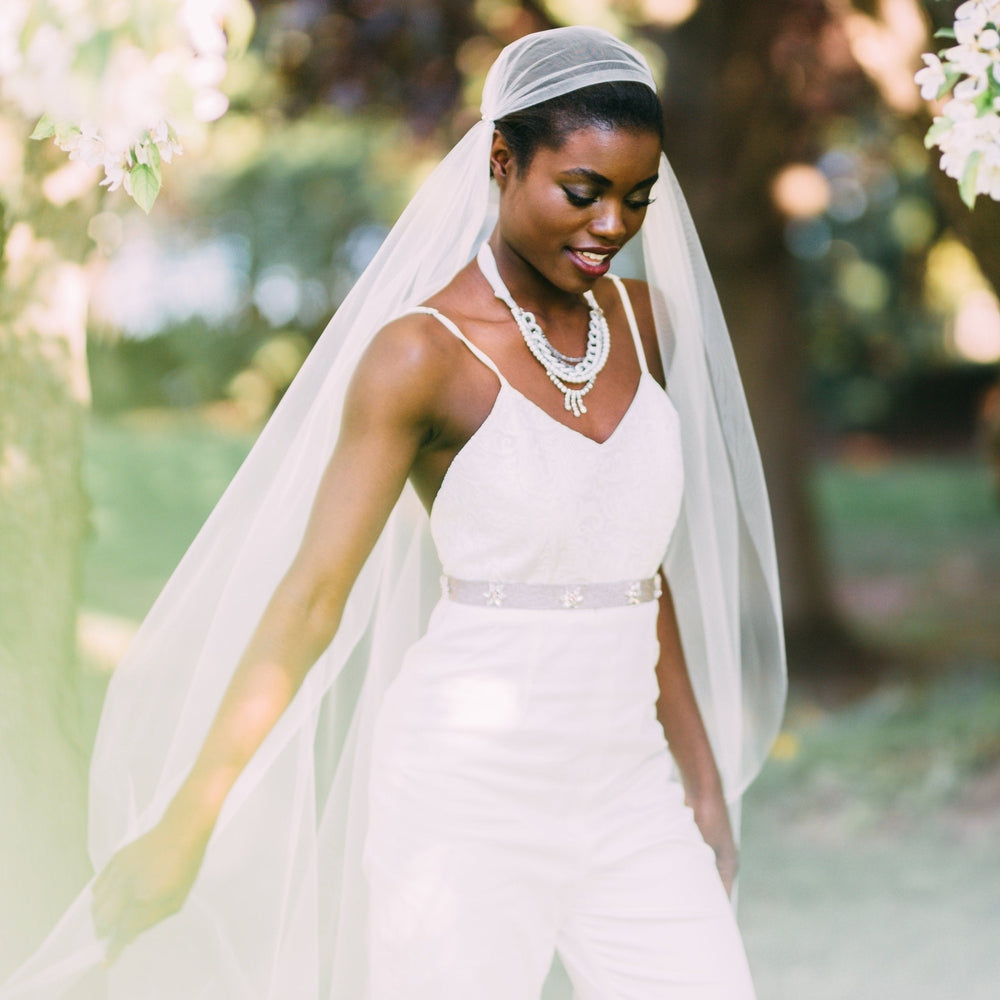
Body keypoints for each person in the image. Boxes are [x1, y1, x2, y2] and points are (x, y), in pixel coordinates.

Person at [0, 25, 785, 1000]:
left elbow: (634, 564)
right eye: (581, 193)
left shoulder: (641, 325)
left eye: (635, 199)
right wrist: (186, 823)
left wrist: (700, 787)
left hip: (630, 796)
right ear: (501, 160)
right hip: (465, 798)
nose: (610, 225)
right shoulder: (423, 354)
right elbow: (312, 597)